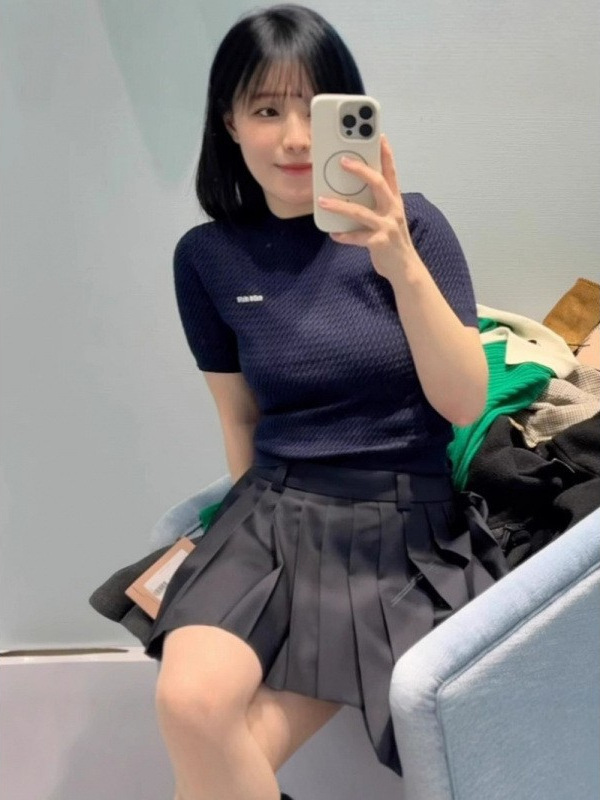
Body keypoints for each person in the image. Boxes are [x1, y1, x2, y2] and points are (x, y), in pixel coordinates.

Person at [147, 5, 508, 800]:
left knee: (226, 748)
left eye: (314, 110)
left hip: (397, 522)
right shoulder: (206, 257)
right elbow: (239, 417)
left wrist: (397, 259)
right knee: (189, 702)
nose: (295, 139)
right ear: (229, 122)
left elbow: (462, 403)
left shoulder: (415, 225)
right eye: (265, 110)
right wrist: (238, 559)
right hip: (274, 510)